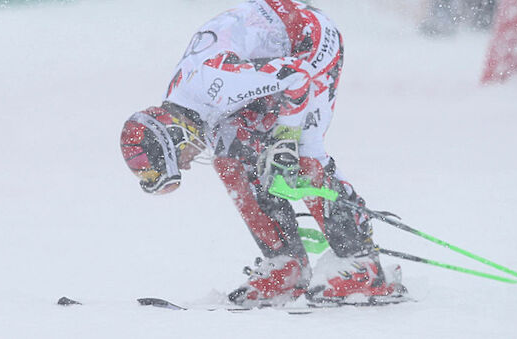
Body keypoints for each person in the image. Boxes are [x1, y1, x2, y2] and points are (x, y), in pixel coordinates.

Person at [120, 0, 406, 307]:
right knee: (231, 159)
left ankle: (361, 263)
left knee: (303, 153)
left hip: (310, 42)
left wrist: (285, 138)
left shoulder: (214, 85)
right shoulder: (188, 106)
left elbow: (298, 76)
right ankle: (286, 264)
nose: (186, 167)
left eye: (178, 162)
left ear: (176, 137)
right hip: (277, 51)